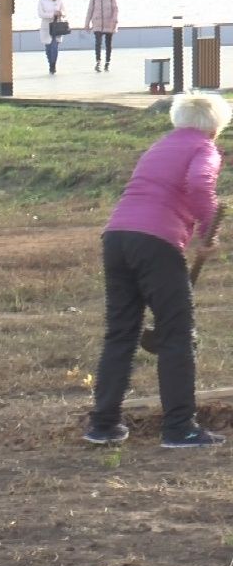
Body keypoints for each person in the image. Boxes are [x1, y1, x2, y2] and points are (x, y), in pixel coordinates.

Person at [85, 93, 232, 448]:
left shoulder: (159, 146)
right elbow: (200, 184)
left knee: (121, 333)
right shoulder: (205, 149)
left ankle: (102, 425)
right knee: (178, 334)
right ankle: (180, 428)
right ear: (216, 126)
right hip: (156, 243)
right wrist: (206, 229)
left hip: (117, 238)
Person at [84, 0, 119, 72]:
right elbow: (90, 10)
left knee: (108, 44)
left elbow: (115, 9)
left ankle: (107, 62)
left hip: (109, 23)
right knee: (98, 43)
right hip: (97, 23)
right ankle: (98, 62)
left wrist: (115, 20)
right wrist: (87, 23)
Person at [37, 0, 66, 75]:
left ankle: (53, 66)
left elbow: (65, 12)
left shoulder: (59, 1)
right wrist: (52, 14)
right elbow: (41, 14)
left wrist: (61, 13)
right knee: (48, 48)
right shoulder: (42, 1)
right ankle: (50, 63)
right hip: (46, 27)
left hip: (57, 27)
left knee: (55, 46)